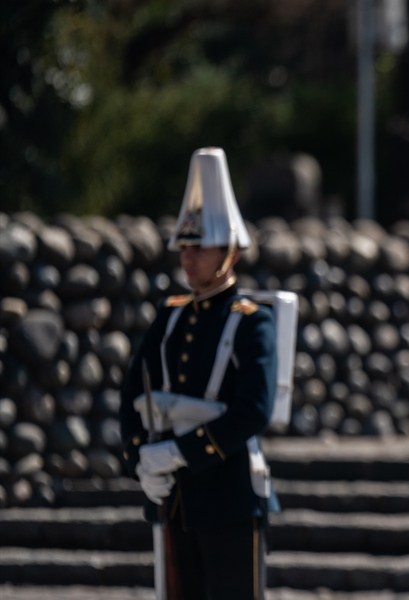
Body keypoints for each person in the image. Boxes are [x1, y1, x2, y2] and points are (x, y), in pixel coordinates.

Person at [120, 147, 278, 600]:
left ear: (229, 251)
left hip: (228, 498)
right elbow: (133, 393)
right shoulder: (170, 317)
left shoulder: (250, 321)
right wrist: (140, 461)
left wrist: (181, 452)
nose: (188, 258)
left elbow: (252, 411)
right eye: (184, 247)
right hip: (174, 501)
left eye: (200, 247)